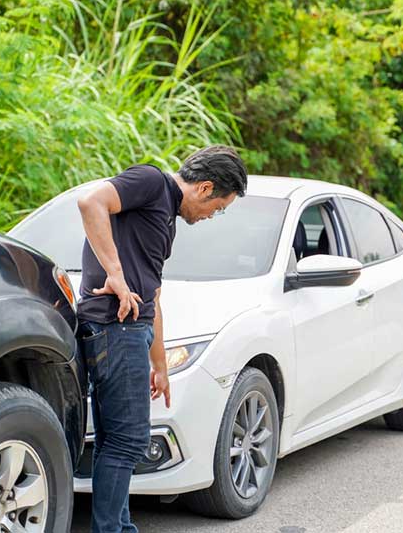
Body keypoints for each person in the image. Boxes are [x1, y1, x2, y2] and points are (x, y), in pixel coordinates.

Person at [76, 145, 247, 533]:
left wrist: (160, 366)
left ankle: (120, 527)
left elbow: (152, 296)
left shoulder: (163, 215)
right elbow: (90, 202)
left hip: (132, 333)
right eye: (217, 207)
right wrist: (115, 275)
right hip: (115, 330)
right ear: (204, 188)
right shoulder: (152, 182)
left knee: (115, 440)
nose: (211, 216)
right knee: (128, 442)